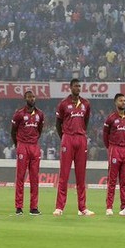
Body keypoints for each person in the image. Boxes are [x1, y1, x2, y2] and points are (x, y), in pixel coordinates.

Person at [53, 78, 94, 216]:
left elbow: (86, 121)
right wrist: (65, 137)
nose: (78, 88)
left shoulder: (86, 104)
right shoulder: (63, 103)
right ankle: (59, 207)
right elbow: (58, 123)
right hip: (67, 138)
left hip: (81, 139)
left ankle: (82, 208)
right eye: (76, 86)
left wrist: (80, 132)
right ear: (70, 88)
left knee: (81, 175)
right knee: (64, 174)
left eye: (79, 86)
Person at [10, 90, 44, 216]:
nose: (32, 98)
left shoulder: (40, 114)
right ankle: (19, 207)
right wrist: (18, 144)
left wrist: (33, 141)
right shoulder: (19, 114)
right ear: (25, 98)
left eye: (33, 96)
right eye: (30, 97)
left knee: (34, 178)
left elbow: (39, 130)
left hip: (34, 146)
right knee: (20, 177)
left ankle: (33, 207)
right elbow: (13, 132)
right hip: (22, 146)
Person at [103, 93, 125, 216]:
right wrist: (110, 147)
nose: (123, 102)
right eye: (121, 100)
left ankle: (124, 207)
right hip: (114, 149)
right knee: (112, 180)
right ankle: (109, 207)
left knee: (124, 180)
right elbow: (105, 135)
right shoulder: (110, 118)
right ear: (116, 102)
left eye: (124, 100)